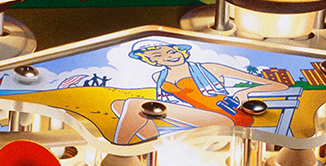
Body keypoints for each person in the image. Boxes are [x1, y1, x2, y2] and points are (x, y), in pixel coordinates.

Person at [111, 41, 287, 144]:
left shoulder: (210, 68)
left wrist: (245, 92)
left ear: (181, 51)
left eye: (171, 51)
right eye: (158, 56)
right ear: (152, 62)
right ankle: (155, 145)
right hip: (195, 115)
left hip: (226, 115)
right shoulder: (159, 76)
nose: (168, 56)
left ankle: (119, 155)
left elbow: (279, 85)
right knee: (119, 104)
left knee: (134, 104)